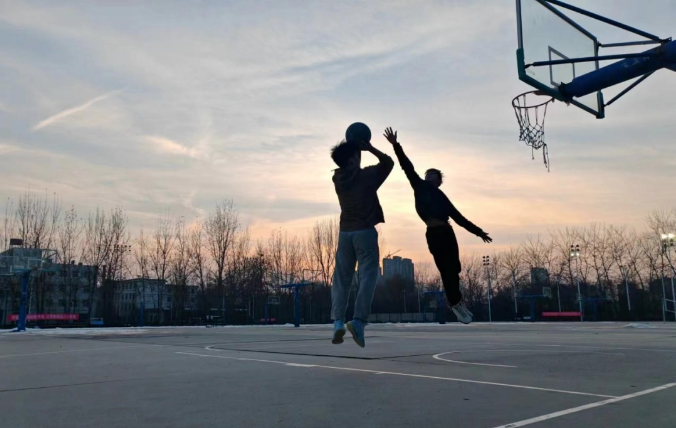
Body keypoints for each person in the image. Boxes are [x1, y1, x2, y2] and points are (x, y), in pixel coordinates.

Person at [383, 127, 492, 324]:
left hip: (448, 232)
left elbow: (459, 218)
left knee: (455, 268)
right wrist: (396, 145)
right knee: (446, 270)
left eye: (432, 174)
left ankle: (457, 301)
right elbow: (406, 166)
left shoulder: (442, 197)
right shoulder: (419, 185)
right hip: (434, 234)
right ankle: (455, 304)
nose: (428, 175)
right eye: (427, 173)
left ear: (439, 181)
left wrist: (479, 232)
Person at [330, 122, 394, 347]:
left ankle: (338, 321)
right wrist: (370, 148)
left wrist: (353, 149)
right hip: (364, 232)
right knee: (368, 275)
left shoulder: (337, 178)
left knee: (342, 278)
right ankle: (358, 321)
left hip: (344, 234)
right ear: (352, 159)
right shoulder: (367, 177)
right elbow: (388, 163)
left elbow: (346, 163)